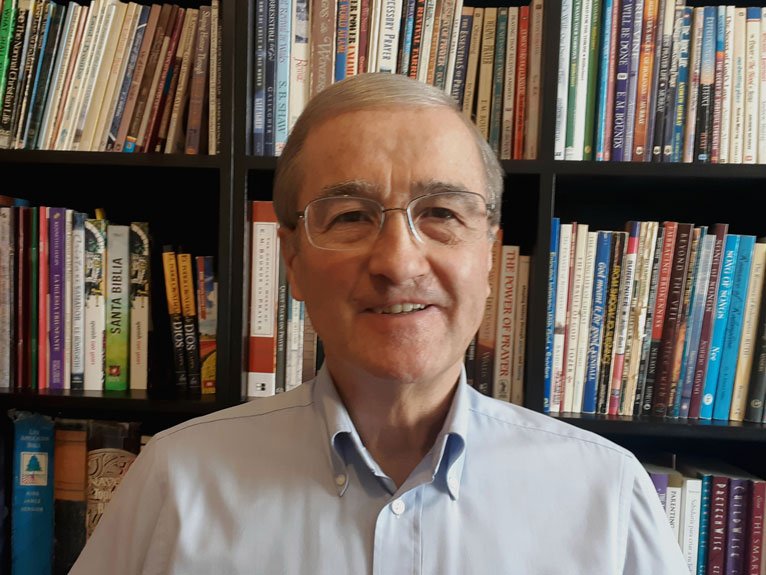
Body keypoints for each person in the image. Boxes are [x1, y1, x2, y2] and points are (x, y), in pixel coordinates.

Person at [71, 73, 688, 574]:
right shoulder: (176, 480)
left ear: (490, 256)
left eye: (442, 212)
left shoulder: (605, 493)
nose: (398, 262)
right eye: (350, 216)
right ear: (292, 261)